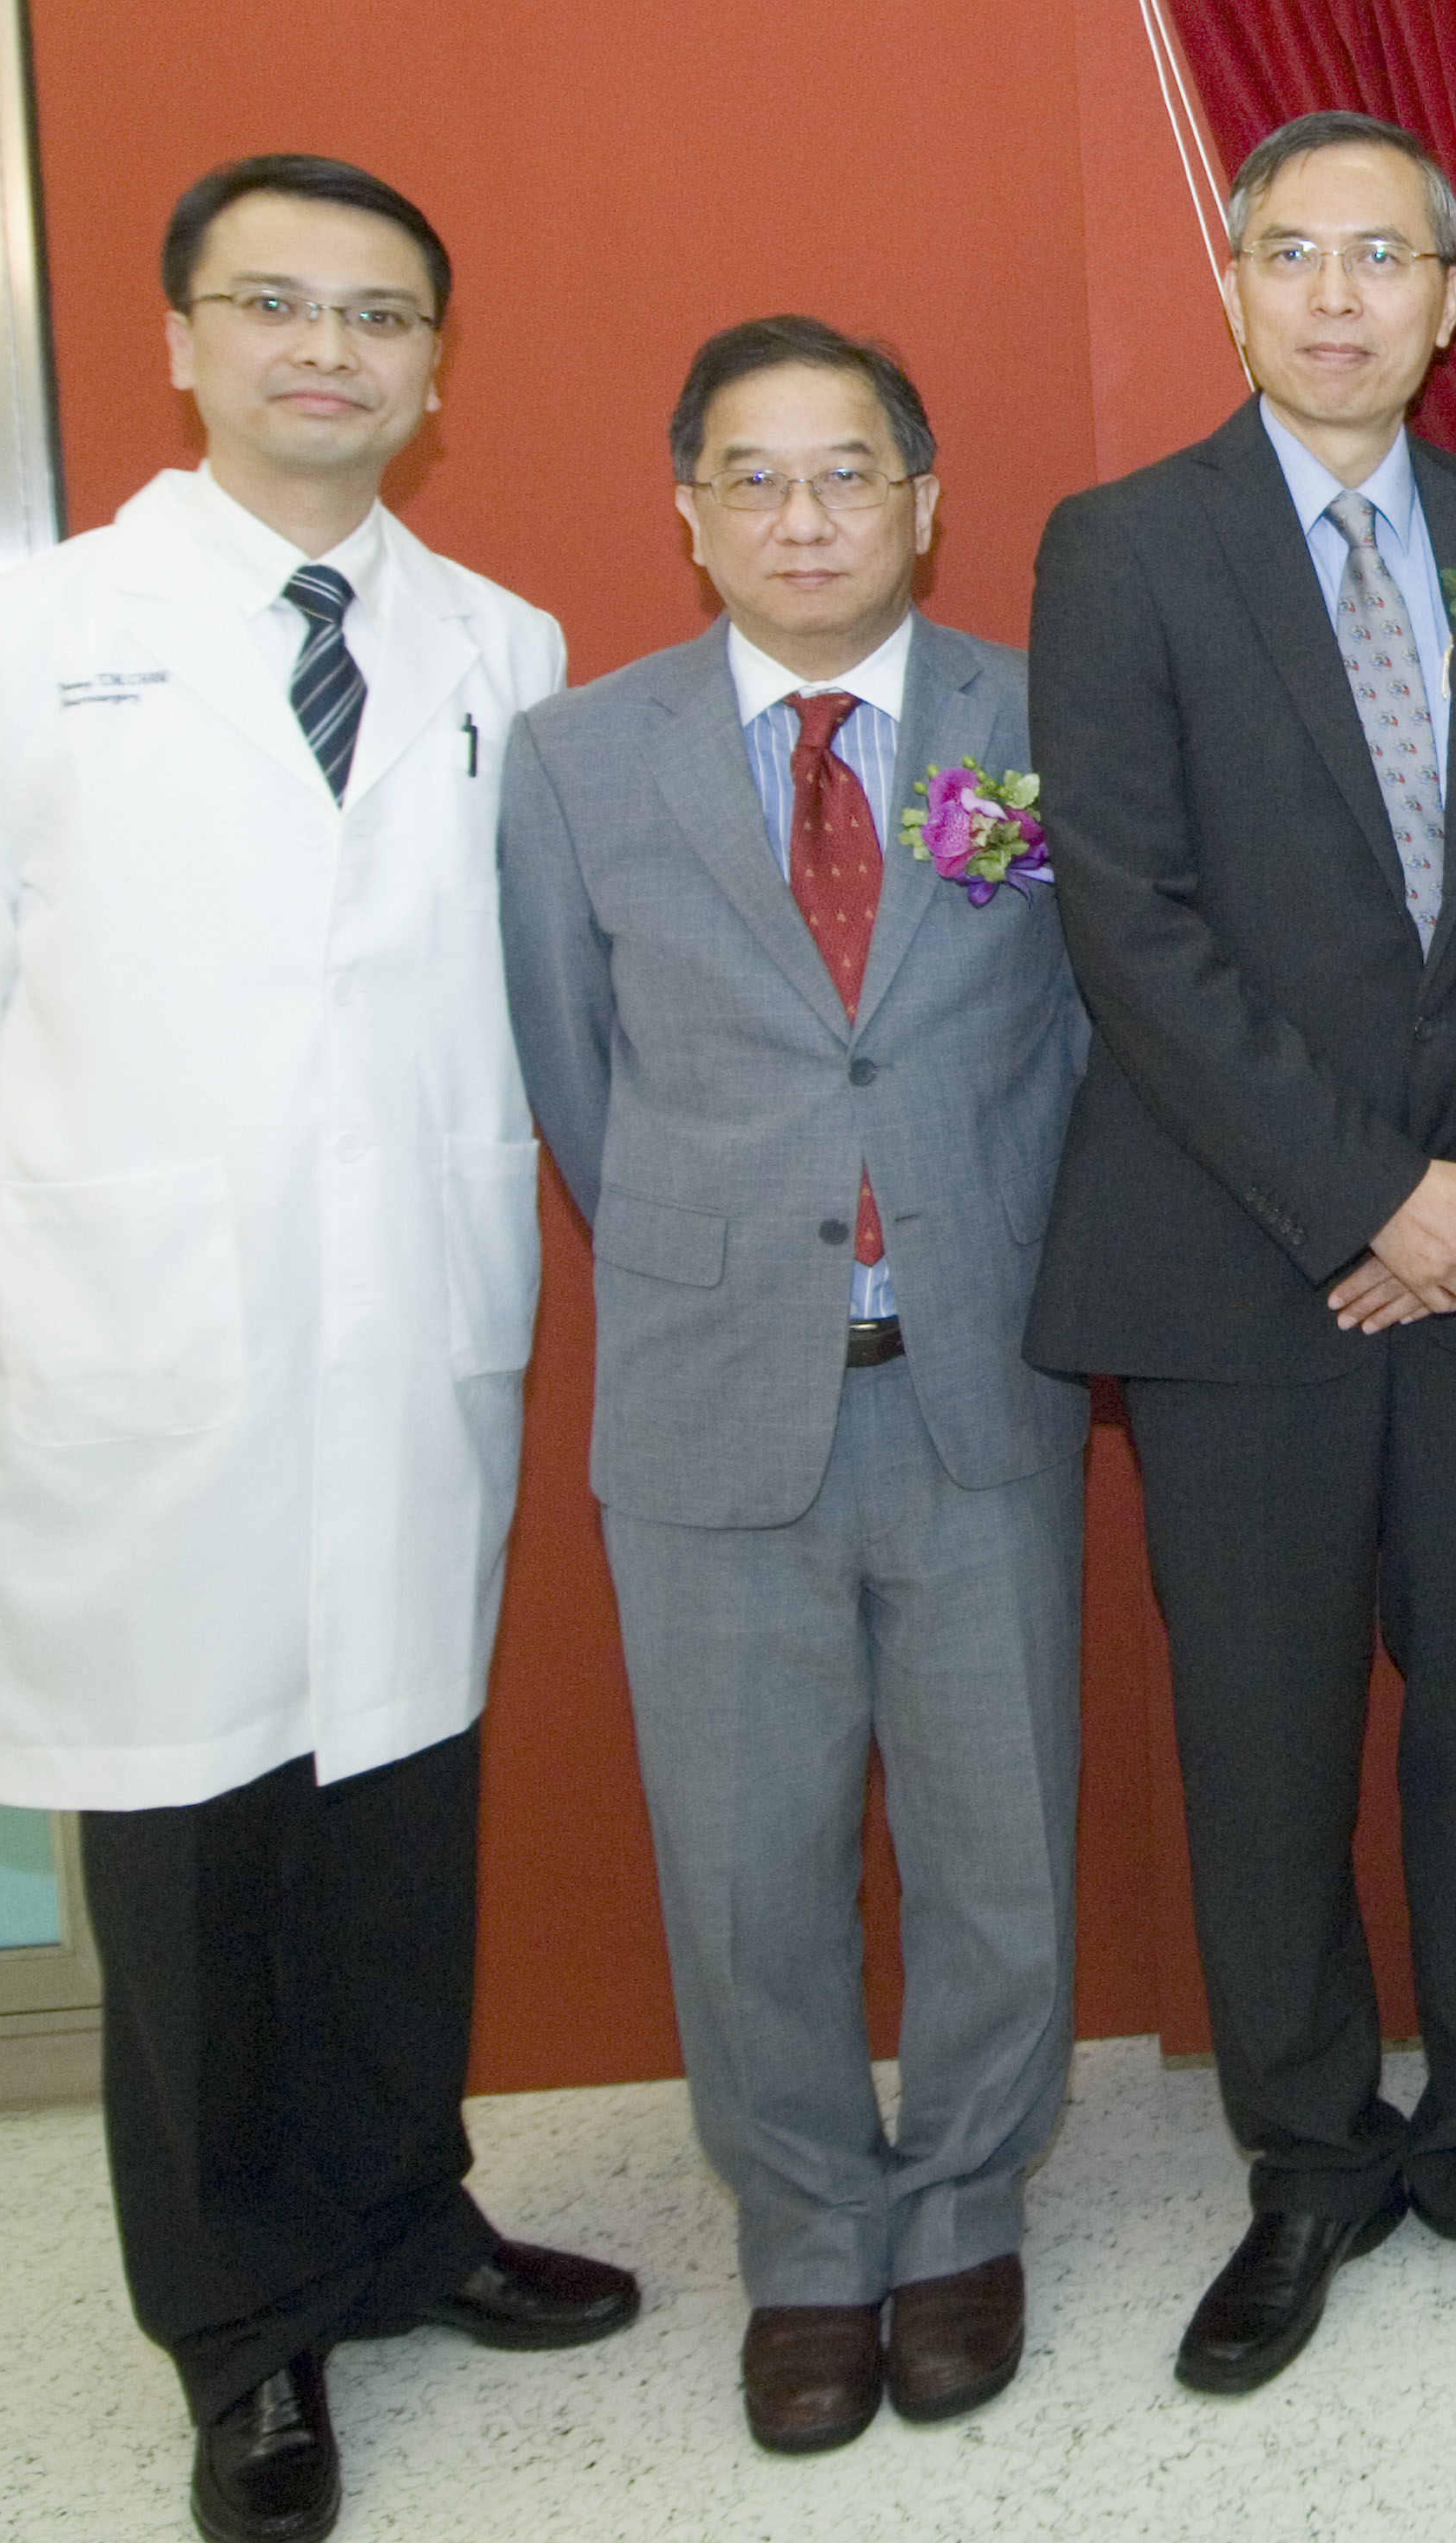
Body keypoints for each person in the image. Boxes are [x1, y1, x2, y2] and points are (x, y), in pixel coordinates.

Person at [0, 155, 632, 2543]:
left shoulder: (502, 647)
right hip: (152, 1336)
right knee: (190, 1855)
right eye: (276, 305)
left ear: (435, 364)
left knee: (398, 1807)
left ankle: (407, 2223)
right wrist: (137, 1227)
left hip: (401, 1329)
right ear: (181, 338)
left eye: (380, 312)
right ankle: (241, 2326)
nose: (329, 349)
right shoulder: (18, 642)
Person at [1024, 111, 1456, 2391]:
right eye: (1299, 253)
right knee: (1261, 1735)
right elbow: (1134, 921)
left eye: (1388, 256)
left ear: (1452, 298)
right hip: (1236, 1264)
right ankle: (1305, 2161)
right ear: (1238, 281)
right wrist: (1364, 1192)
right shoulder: (1125, 548)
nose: (1343, 294)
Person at [497, 319, 1085, 2454]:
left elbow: (1099, 1035)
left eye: (849, 473)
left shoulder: (1045, 719)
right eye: (754, 477)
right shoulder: (580, 759)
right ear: (689, 509)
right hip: (712, 1386)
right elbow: (583, 1082)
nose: (805, 515)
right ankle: (810, 2239)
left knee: (998, 1835)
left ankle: (960, 2215)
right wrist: (736, 1248)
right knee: (742, 1860)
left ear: (924, 498)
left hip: (980, 1369)